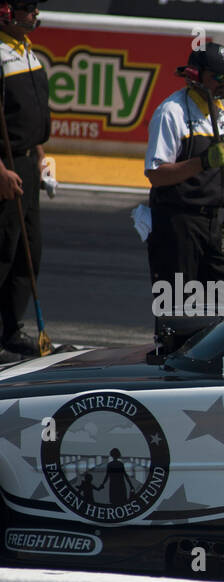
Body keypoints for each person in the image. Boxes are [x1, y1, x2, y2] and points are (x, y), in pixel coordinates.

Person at [144, 41, 224, 303]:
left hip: (216, 224)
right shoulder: (171, 112)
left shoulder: (218, 112)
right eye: (218, 76)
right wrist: (202, 162)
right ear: (195, 75)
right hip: (179, 225)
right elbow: (156, 174)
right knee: (178, 307)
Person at [0, 0, 50, 363]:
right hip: (6, 166)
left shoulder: (27, 51)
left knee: (28, 250)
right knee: (2, 250)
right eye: (26, 7)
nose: (33, 14)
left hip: (29, 162)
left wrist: (41, 152)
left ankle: (11, 329)